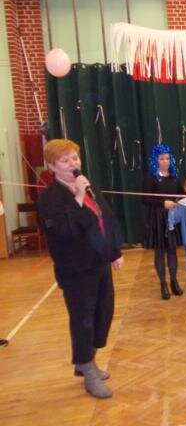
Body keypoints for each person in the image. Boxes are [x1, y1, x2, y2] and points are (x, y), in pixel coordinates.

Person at [38, 139, 123, 399]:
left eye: (74, 158)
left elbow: (105, 217)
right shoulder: (50, 198)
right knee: (83, 319)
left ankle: (88, 359)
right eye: (65, 160)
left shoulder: (89, 185)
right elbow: (65, 232)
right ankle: (87, 368)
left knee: (102, 314)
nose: (72, 163)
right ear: (52, 166)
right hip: (76, 270)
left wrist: (114, 252)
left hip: (99, 262)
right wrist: (77, 197)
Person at [142, 144, 184, 300]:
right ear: (156, 160)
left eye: (167, 158)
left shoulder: (174, 177)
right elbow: (145, 199)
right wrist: (162, 203)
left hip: (172, 218)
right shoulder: (151, 178)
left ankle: (174, 281)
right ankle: (163, 284)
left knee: (172, 251)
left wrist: (184, 198)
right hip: (158, 219)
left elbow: (182, 194)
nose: (165, 161)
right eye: (161, 159)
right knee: (160, 252)